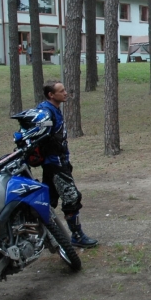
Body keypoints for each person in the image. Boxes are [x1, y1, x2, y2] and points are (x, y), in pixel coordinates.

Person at [39, 80, 98, 248]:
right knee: (71, 198)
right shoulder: (45, 111)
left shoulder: (54, 109)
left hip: (59, 162)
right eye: (61, 91)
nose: (65, 93)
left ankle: (45, 236)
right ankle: (77, 236)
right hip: (54, 164)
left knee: (48, 200)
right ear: (51, 95)